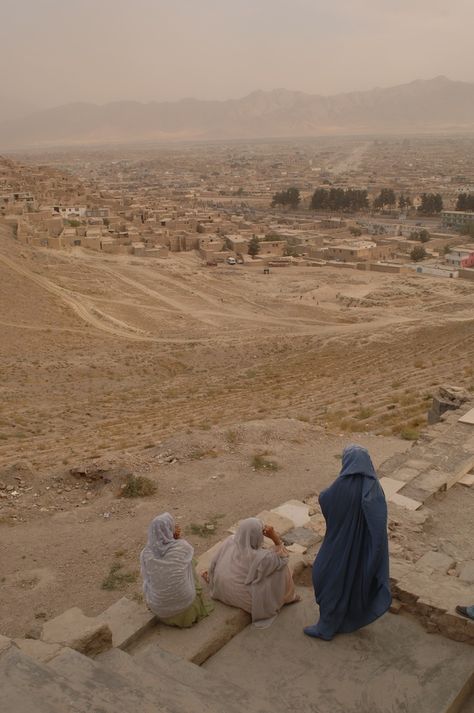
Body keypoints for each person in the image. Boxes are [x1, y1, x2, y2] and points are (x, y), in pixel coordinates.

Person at [304, 444, 391, 641]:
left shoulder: (341, 485)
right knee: (351, 580)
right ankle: (341, 620)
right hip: (362, 548)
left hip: (338, 543)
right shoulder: (374, 488)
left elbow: (325, 499)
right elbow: (378, 522)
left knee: (327, 577)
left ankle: (325, 628)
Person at [203, 517, 300, 628]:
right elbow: (285, 557)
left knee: (271, 566)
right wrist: (274, 537)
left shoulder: (230, 540)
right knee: (282, 568)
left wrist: (212, 577)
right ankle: (288, 597)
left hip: (220, 588)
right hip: (245, 599)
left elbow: (215, 561)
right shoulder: (262, 558)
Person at [140, 512, 214, 628]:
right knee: (190, 566)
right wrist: (178, 539)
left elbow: (147, 579)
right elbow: (191, 562)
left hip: (160, 609)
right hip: (185, 607)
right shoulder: (182, 547)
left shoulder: (145, 553)